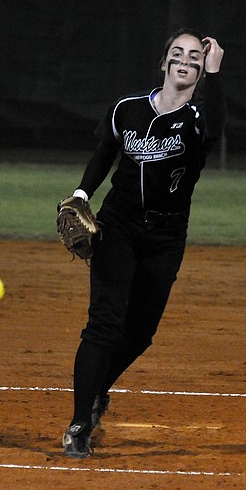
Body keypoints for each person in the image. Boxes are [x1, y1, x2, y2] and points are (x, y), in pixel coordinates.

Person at [60, 28, 226, 458]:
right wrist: (81, 195)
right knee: (104, 323)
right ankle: (79, 424)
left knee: (140, 331)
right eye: (178, 53)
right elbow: (104, 153)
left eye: (194, 55)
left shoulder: (197, 120)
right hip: (119, 226)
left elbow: (215, 129)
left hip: (167, 236)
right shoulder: (128, 109)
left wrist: (215, 74)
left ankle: (98, 391)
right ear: (164, 62)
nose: (185, 60)